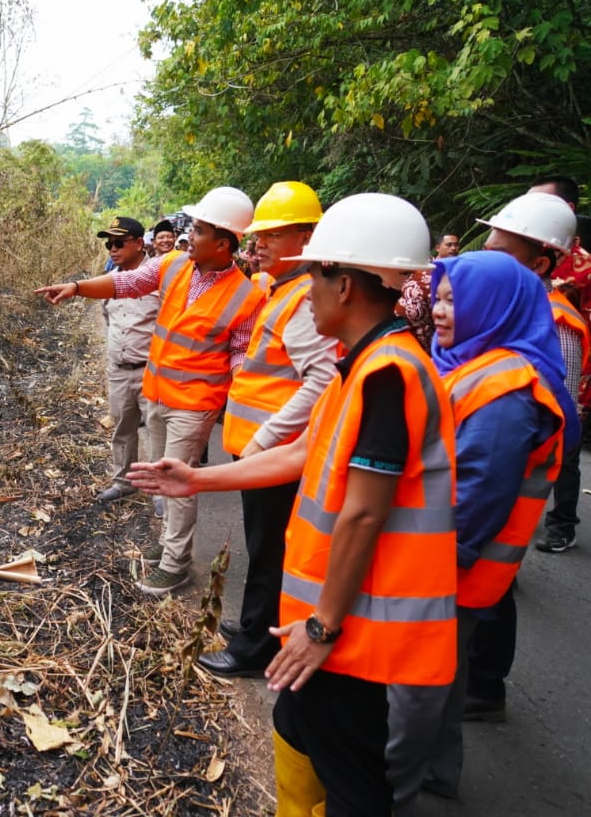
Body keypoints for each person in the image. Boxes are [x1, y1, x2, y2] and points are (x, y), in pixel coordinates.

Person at [129, 193, 457, 817]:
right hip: (338, 618)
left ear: (350, 284)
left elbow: (364, 513)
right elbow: (304, 451)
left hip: (363, 629)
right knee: (295, 725)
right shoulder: (358, 367)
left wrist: (321, 628)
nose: (306, 288)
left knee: (352, 778)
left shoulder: (389, 376)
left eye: (317, 272)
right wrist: (197, 480)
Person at [385, 251, 570, 814]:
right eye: (438, 297)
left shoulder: (507, 391)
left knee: (414, 681)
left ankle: (388, 786)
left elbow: (479, 488)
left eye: (454, 300)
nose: (440, 311)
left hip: (453, 559)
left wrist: (441, 558)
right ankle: (438, 774)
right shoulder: (471, 360)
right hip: (449, 556)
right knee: (444, 670)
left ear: (495, 307)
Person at [37, 187, 265, 596]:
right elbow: (126, 282)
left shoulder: (247, 297)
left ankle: (175, 564)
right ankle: (168, 547)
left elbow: (240, 357)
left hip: (194, 407)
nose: (188, 235)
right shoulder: (175, 265)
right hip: (157, 394)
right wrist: (76, 287)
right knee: (162, 479)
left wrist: (248, 408)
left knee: (178, 481)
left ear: (223, 243)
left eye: (198, 230)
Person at [201, 181, 339, 678]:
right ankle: (261, 625)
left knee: (269, 548)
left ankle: (256, 646)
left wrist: (264, 438)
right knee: (264, 543)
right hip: (263, 449)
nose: (259, 244)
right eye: (259, 234)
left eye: (274, 235)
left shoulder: (303, 297)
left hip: (275, 453)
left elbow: (321, 379)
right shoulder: (286, 289)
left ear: (308, 236)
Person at [463, 190, 582, 723]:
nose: (488, 259)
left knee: (489, 589)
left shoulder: (553, 319)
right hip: (487, 481)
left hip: (499, 491)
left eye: (503, 253)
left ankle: (484, 686)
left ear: (541, 264)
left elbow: (561, 406)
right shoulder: (494, 305)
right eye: (487, 247)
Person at [93, 217, 162, 505]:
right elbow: (109, 321)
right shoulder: (110, 280)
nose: (112, 249)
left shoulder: (159, 276)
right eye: (109, 244)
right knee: (123, 427)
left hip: (151, 370)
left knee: (159, 432)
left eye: (119, 243)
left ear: (138, 243)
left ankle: (160, 490)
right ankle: (123, 482)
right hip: (120, 370)